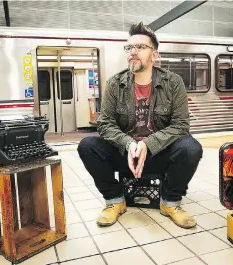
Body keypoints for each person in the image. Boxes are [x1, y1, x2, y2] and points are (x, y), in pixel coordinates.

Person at [77, 22, 203, 229]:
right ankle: (115, 200)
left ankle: (170, 203)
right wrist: (128, 144)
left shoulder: (173, 83)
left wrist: (148, 143)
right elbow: (105, 124)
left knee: (191, 148)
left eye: (140, 47)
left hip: (158, 154)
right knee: (87, 146)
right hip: (126, 154)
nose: (133, 52)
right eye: (129, 48)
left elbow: (181, 125)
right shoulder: (114, 83)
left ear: (154, 55)